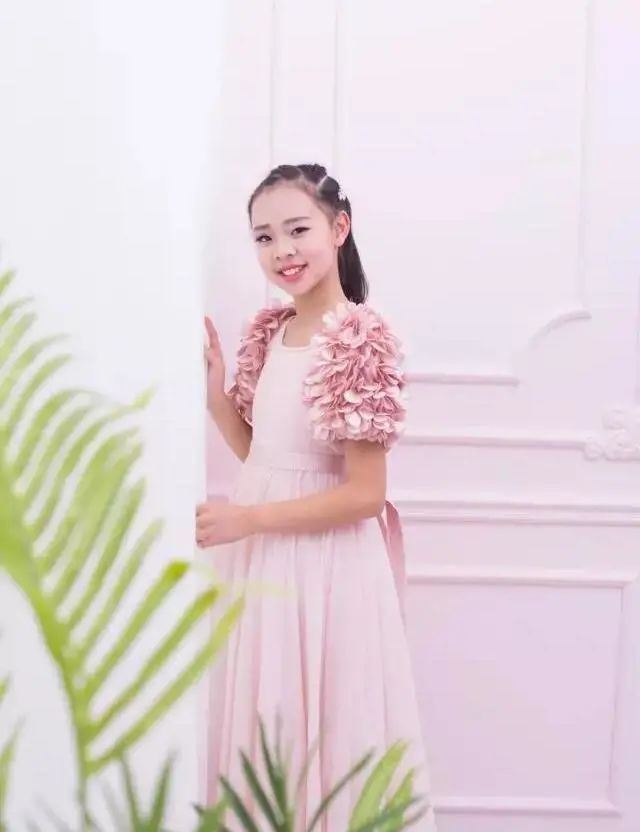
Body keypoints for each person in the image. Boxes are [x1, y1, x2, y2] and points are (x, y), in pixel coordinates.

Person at [197, 163, 437, 831]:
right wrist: (216, 395)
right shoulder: (270, 333)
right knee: (269, 713)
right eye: (264, 237)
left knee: (325, 720)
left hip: (326, 564)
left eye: (297, 230)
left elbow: (364, 495)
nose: (282, 250)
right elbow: (266, 457)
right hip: (264, 551)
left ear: (339, 228)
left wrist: (248, 518)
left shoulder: (359, 339)